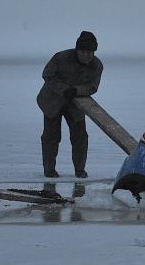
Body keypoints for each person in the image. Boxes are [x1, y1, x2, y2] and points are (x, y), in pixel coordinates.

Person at [36, 31, 103, 178]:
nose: (86, 55)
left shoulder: (97, 65)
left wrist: (76, 90)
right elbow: (47, 75)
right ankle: (49, 170)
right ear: (77, 50)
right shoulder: (61, 58)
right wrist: (63, 89)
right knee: (51, 137)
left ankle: (80, 170)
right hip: (52, 101)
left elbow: (93, 87)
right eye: (83, 52)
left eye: (90, 52)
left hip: (77, 104)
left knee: (80, 137)